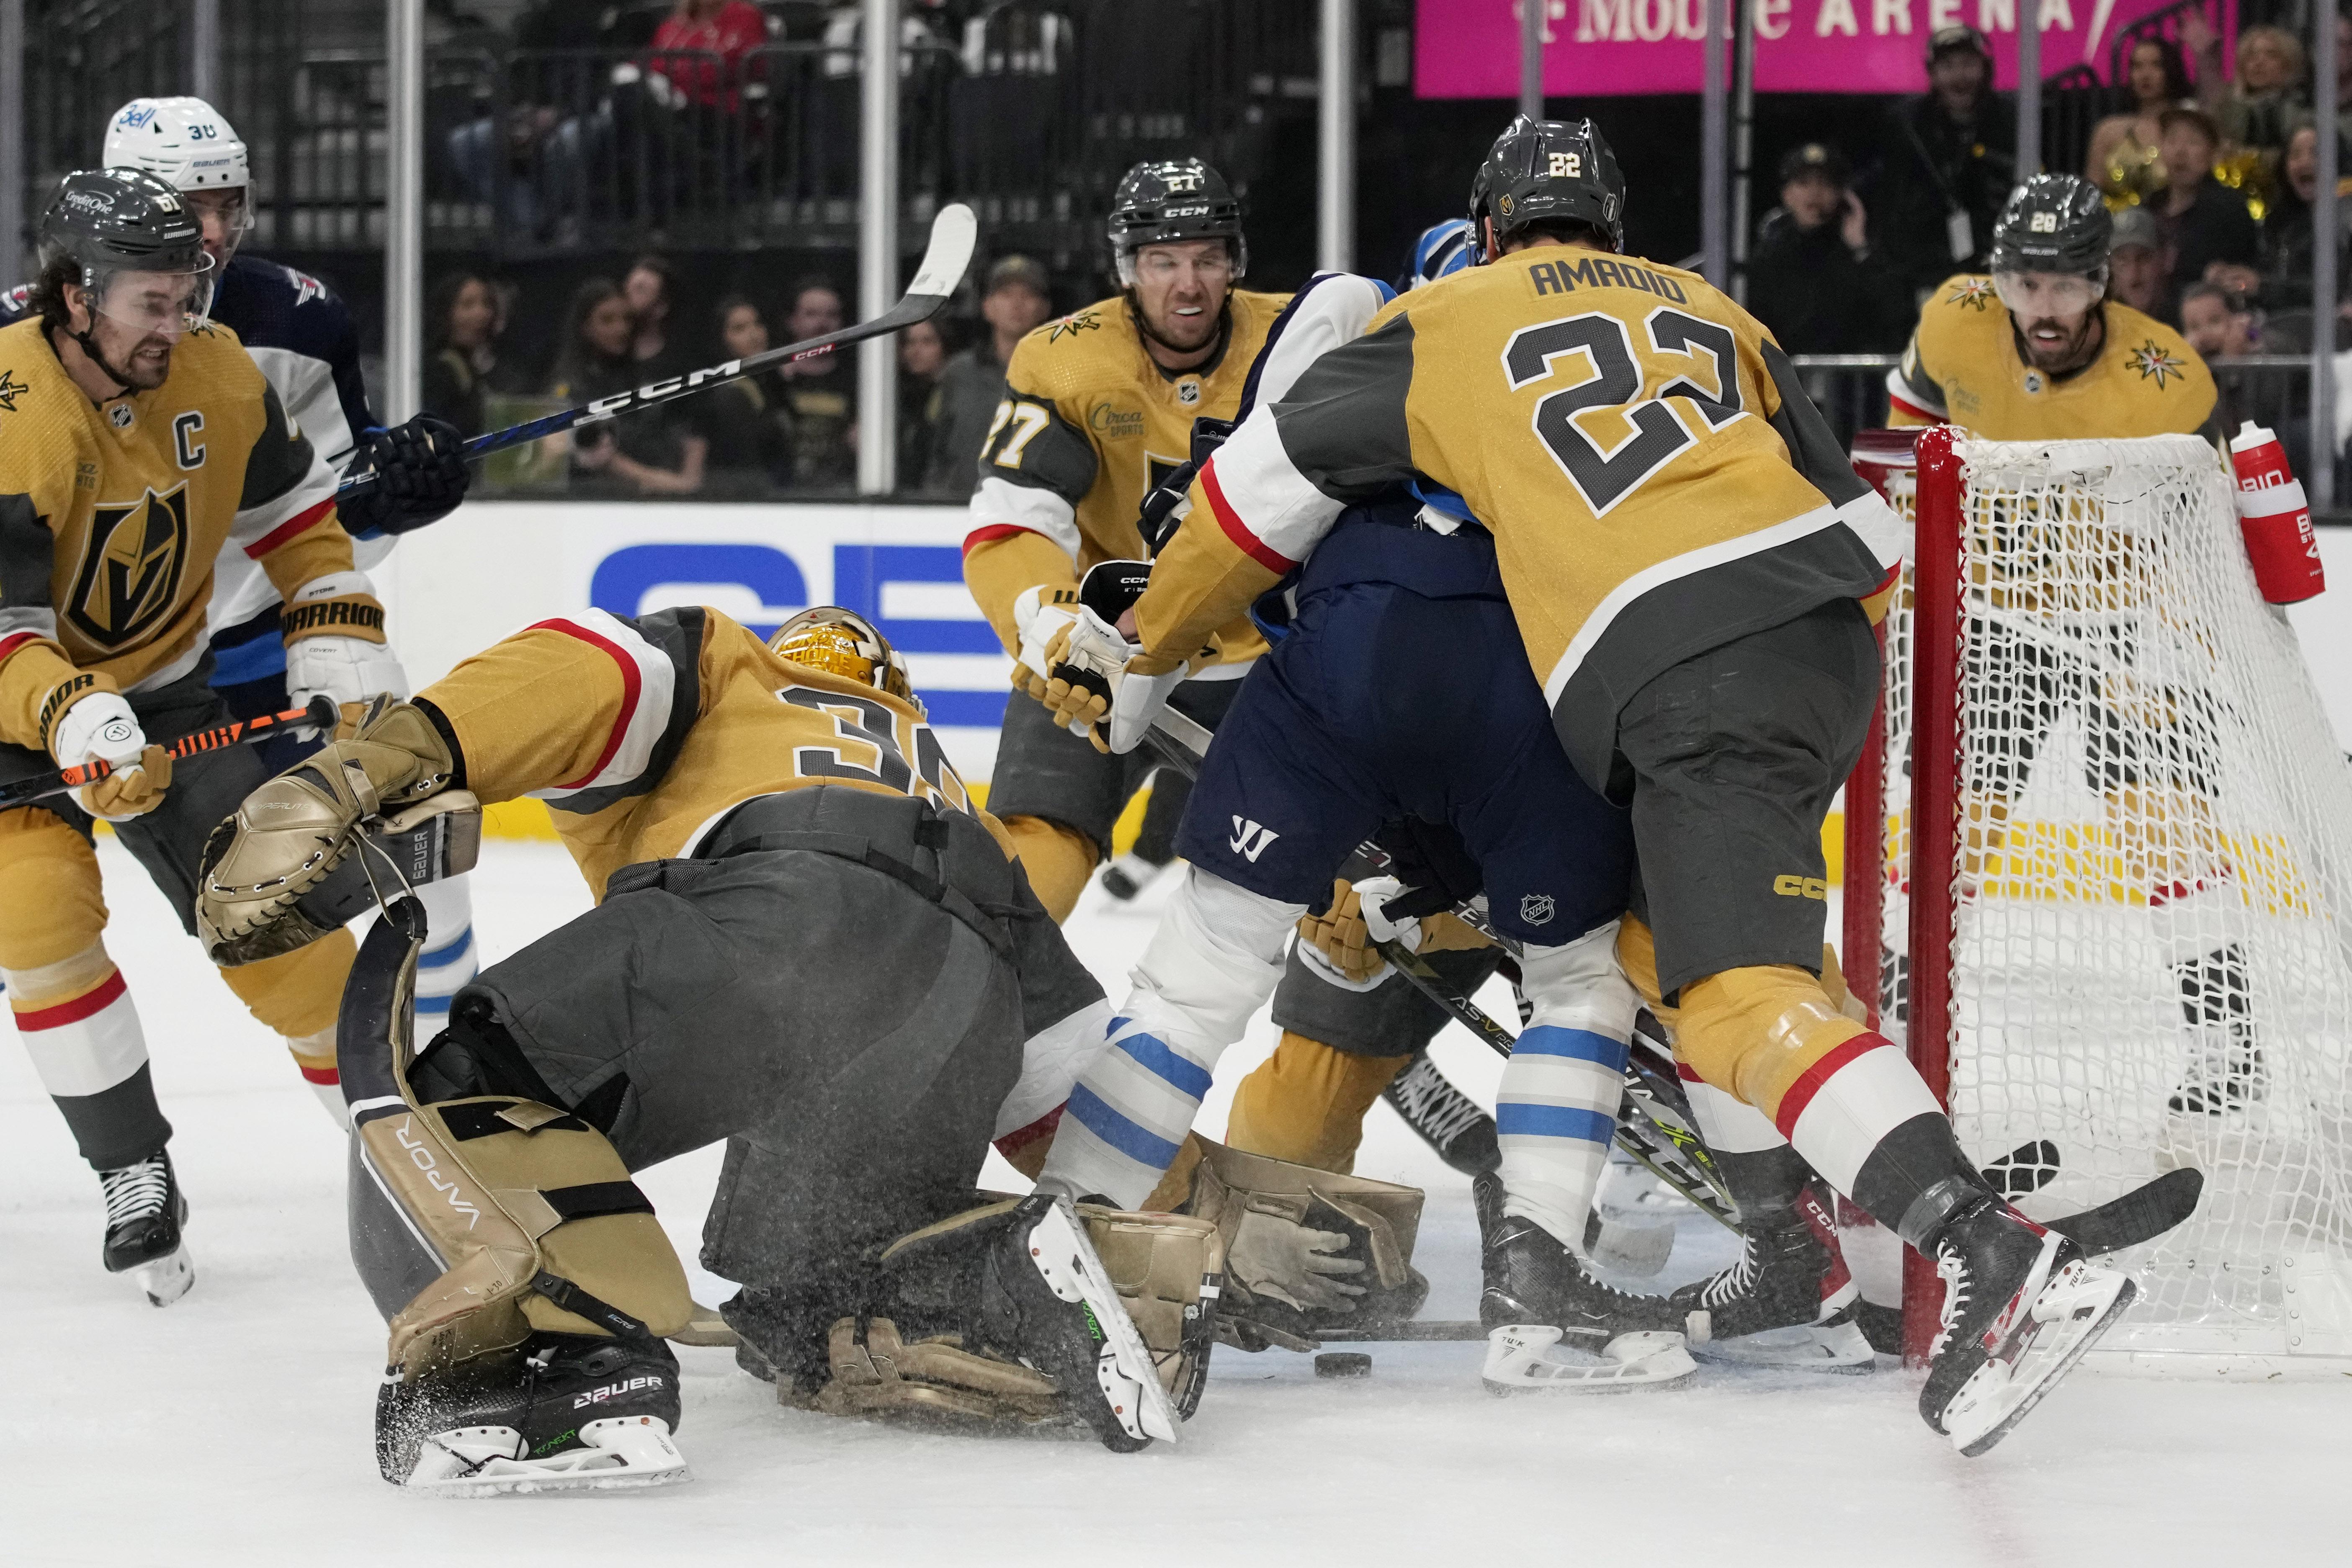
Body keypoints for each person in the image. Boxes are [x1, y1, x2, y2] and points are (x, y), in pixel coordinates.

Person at [1085, 117, 2136, 1454]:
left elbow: (1254, 503)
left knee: (1720, 995)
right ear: (1615, 228)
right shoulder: (1716, 310)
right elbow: (1863, 529)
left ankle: (1969, 1241)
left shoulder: (1437, 317)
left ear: (1485, 225)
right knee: (1701, 959)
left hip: (1660, 685)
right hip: (1794, 660)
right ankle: (1788, 1238)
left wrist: (1134, 648)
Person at [196, 606, 1207, 1490]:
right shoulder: (945, 795)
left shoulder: (742, 670)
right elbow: (1060, 1094)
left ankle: (563, 1376)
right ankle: (986, 1291)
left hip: (788, 915)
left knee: (480, 1088)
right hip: (962, 1004)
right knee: (807, 1292)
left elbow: (587, 668)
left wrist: (367, 764)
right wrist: (1150, 1220)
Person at [1, 95, 480, 1079]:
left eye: (227, 203)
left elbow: (322, 527)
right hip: (60, 665)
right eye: (188, 205)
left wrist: (392, 501)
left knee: (396, 832)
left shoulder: (297, 320)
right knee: (32, 915)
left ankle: (440, 1073)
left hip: (250, 651)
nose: (210, 233)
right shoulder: (27, 349)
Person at [0, 169, 407, 1306]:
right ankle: (133, 1169)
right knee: (37, 922)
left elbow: (298, 524)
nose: (175, 326)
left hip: (169, 697)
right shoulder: (8, 410)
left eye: (188, 296)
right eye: (150, 304)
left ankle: (411, 1161)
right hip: (13, 711)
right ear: (74, 297)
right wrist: (65, 710)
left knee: (284, 916)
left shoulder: (221, 374)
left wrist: (332, 627)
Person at [1890, 177, 2257, 1123]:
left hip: (2128, 631)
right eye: (2020, 281)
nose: (2038, 305)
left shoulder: (2166, 379)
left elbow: (2204, 534)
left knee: (2166, 823)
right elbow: (1900, 461)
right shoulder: (1954, 321)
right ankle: (1894, 1023)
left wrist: (2174, 649)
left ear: (2101, 281)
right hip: (2001, 627)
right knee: (1942, 835)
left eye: (2059, 284)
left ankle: (2227, 1042)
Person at [959, 159, 1289, 922]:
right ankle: (990, 1021)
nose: (1188, 283)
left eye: (1208, 258)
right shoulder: (1065, 356)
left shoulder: (1298, 343)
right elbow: (1015, 516)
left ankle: (1392, 1048)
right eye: (1163, 261)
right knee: (1029, 870)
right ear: (1127, 268)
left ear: (1234, 263)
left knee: (1344, 908)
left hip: (1267, 663)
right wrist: (1047, 617)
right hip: (1104, 651)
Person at [1868, 25, 2017, 299]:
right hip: (1928, 270)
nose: (1959, 77)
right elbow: (1890, 200)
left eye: (1968, 64)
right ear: (1932, 74)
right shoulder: (1908, 123)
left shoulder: (2013, 121)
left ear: (1986, 68)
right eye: (1947, 66)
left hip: (2001, 269)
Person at [1747, 142, 1909, 354]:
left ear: (1842, 195)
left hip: (1847, 380)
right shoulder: (1767, 257)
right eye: (1804, 183)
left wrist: (1860, 248)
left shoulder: (1860, 253)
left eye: (1825, 184)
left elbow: (1897, 319)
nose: (1815, 193)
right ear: (1786, 194)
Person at [551, 278, 706, 497]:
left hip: (659, 490)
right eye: (607, 320)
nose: (621, 328)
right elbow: (598, 456)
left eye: (626, 319)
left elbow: (688, 426)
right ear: (585, 328)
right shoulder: (570, 384)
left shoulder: (641, 375)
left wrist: (691, 476)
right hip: (594, 499)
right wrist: (671, 484)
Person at [925, 254, 1054, 495]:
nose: (1016, 304)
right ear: (987, 307)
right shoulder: (958, 373)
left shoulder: (1063, 375)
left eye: (1027, 295)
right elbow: (935, 449)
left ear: (1044, 309)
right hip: (958, 512)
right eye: (1006, 295)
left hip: (1031, 517)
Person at [2154, 106, 2260, 297]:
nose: (2180, 151)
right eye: (2172, 140)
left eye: (2193, 142)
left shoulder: (2229, 210)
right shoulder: (2149, 207)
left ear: (2213, 152)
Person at [693, 296, 794, 496]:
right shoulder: (727, 394)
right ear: (722, 339)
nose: (754, 335)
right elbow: (746, 468)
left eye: (757, 324)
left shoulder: (773, 383)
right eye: (740, 329)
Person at [2085, 35, 2195, 209]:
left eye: (2156, 65)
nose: (2145, 75)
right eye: (2137, 66)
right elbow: (2090, 195)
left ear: (2171, 70)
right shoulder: (2108, 131)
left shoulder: (2189, 127)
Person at [776, 277, 859, 489]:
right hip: (779, 494)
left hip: (840, 493)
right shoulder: (773, 381)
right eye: (811, 314)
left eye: (831, 315)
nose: (823, 324)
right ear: (791, 321)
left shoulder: (859, 382)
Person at [419, 270, 503, 440]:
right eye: (468, 305)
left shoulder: (479, 368)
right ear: (446, 314)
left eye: (486, 304)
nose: (481, 314)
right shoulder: (442, 371)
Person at [622, 253, 694, 385]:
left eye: (640, 290)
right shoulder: (606, 353)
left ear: (661, 307)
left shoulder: (678, 365)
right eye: (628, 286)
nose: (626, 294)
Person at [897, 317, 949, 492]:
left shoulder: (954, 393)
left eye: (927, 342)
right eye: (910, 343)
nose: (915, 351)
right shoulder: (894, 395)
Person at [2106, 206, 2175, 323]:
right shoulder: (2103, 329)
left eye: (2144, 259)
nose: (2133, 276)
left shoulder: (2189, 318)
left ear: (2167, 259)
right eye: (2123, 262)